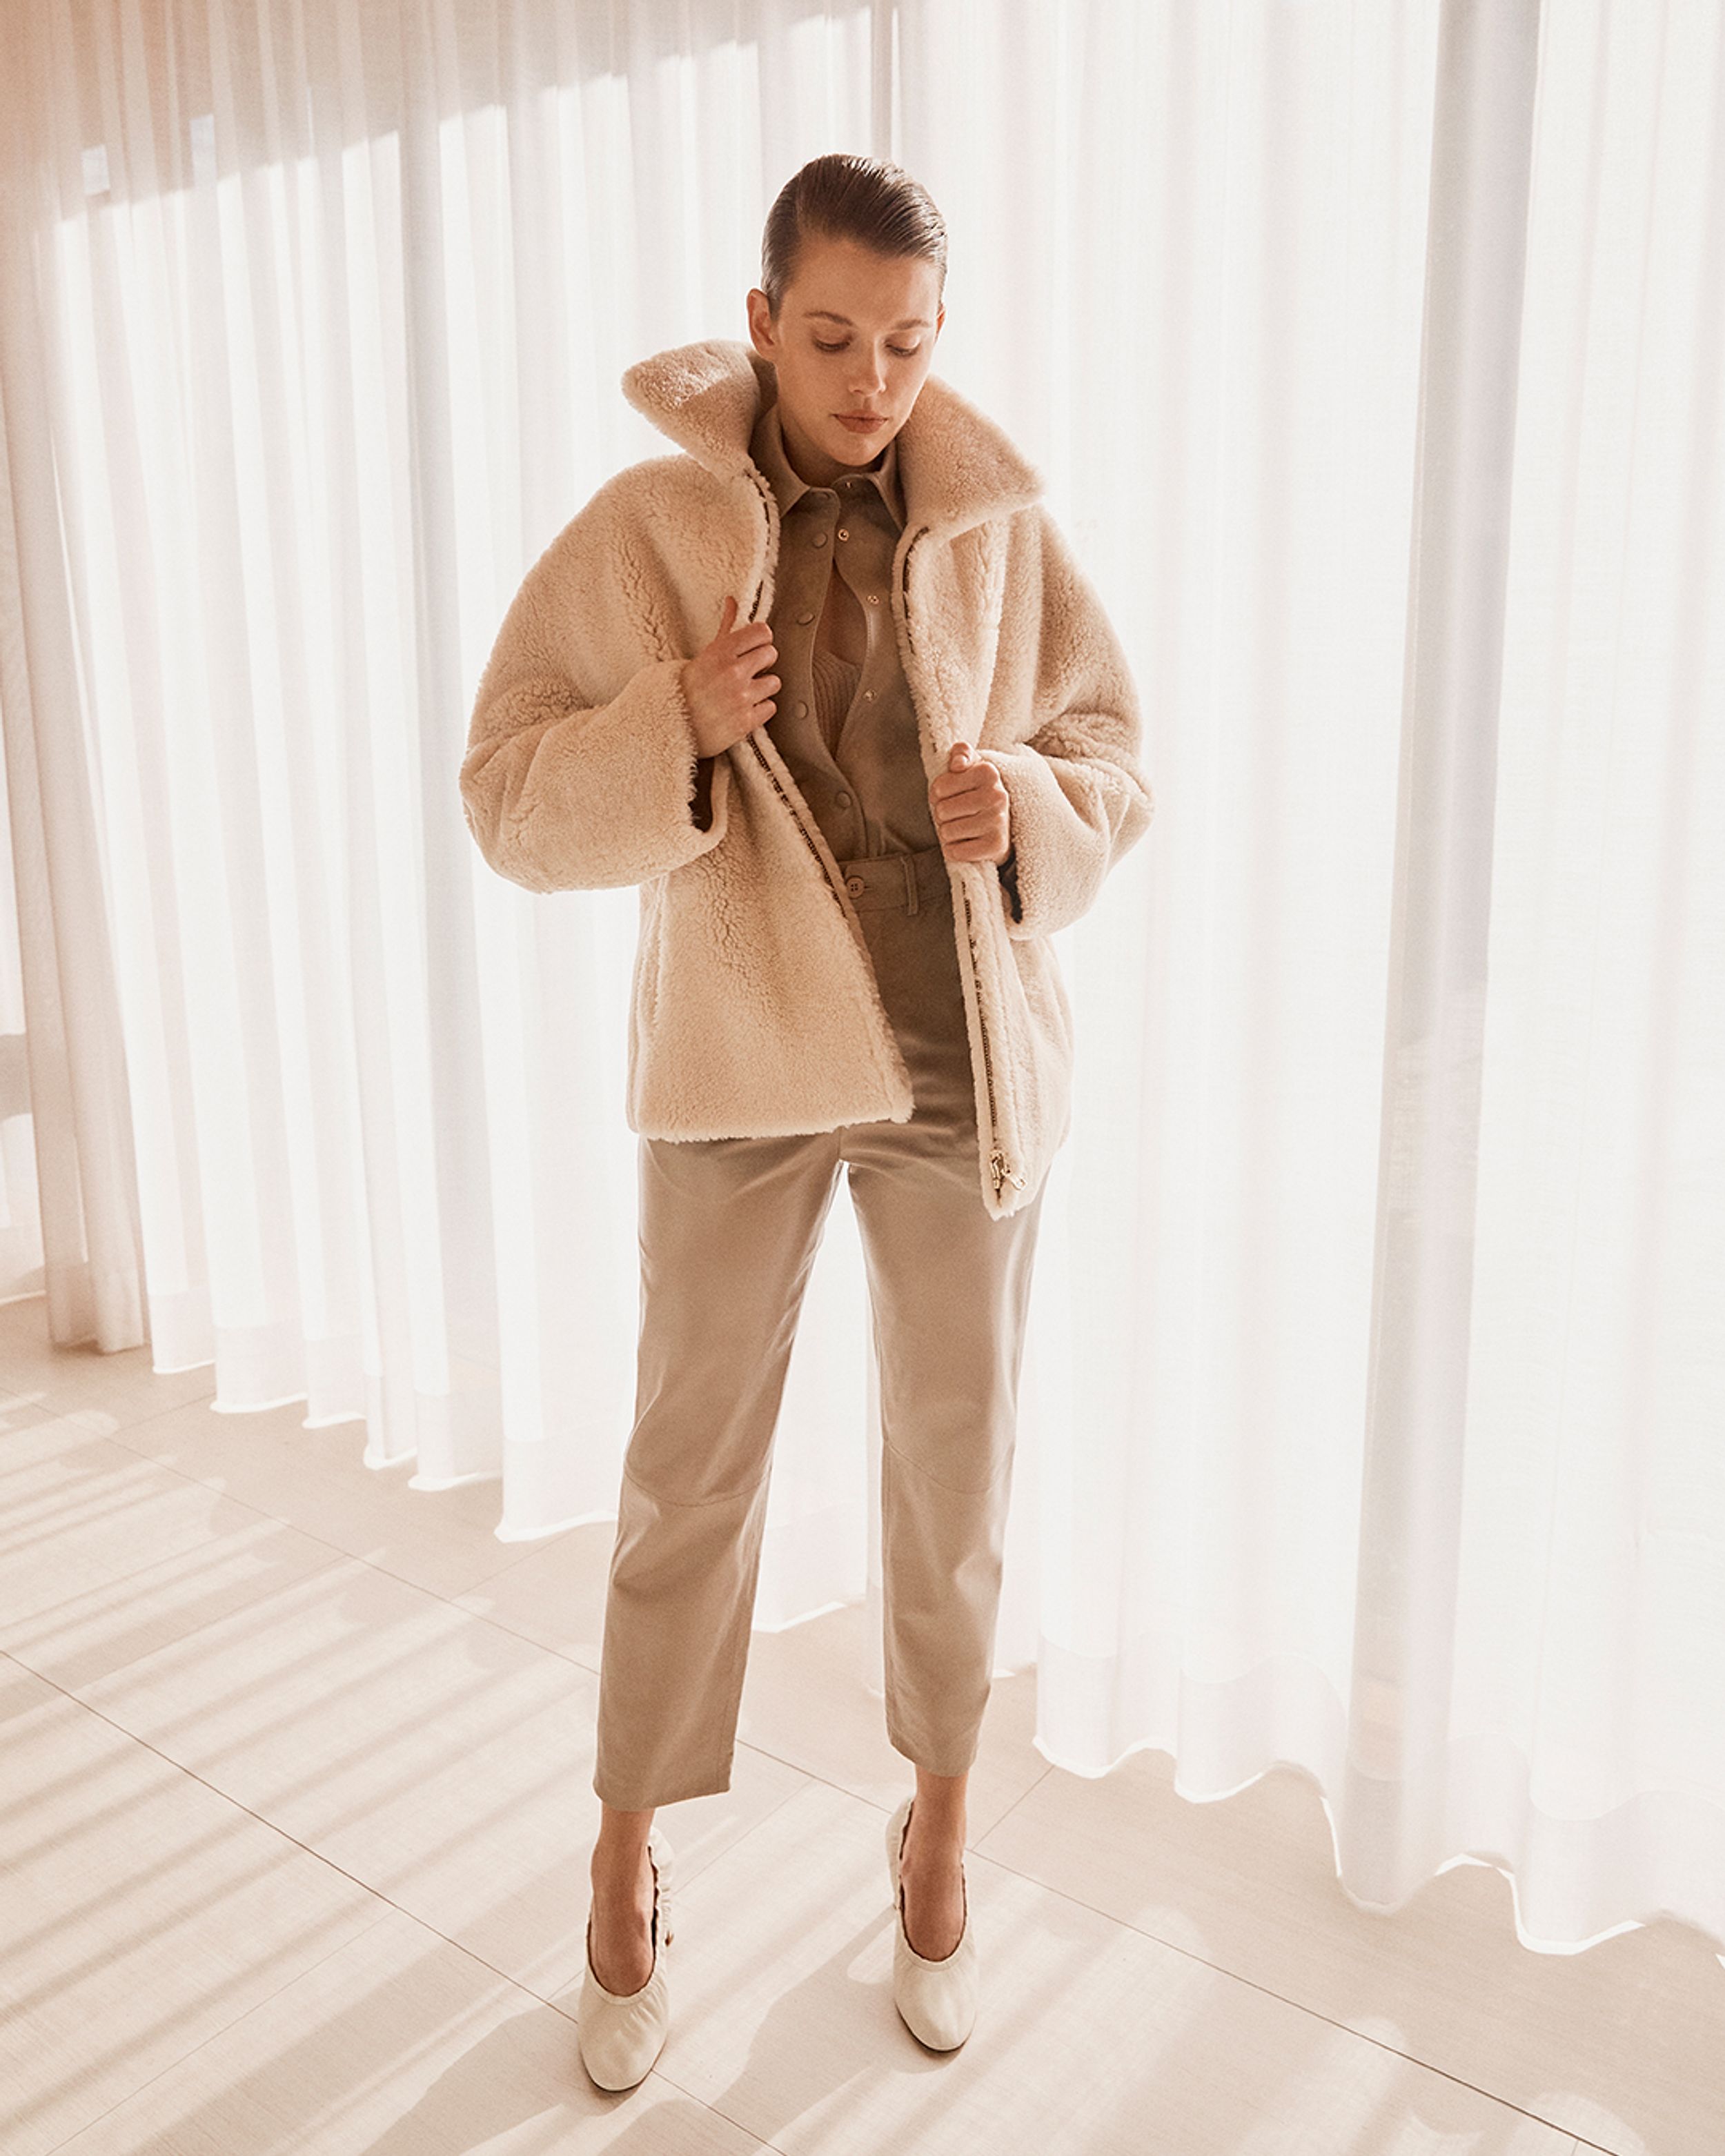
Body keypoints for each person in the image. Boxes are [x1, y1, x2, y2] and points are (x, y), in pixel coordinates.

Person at [460, 152, 1154, 2090]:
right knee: (688, 1469)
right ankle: (622, 1858)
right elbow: (505, 790)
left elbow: (1111, 752)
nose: (873, 381)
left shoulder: (1000, 528)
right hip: (742, 1068)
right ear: (761, 320)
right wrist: (669, 721)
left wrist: (1022, 798)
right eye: (835, 337)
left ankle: (934, 1835)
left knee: (957, 1469)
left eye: (911, 344)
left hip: (957, 1067)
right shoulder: (650, 526)